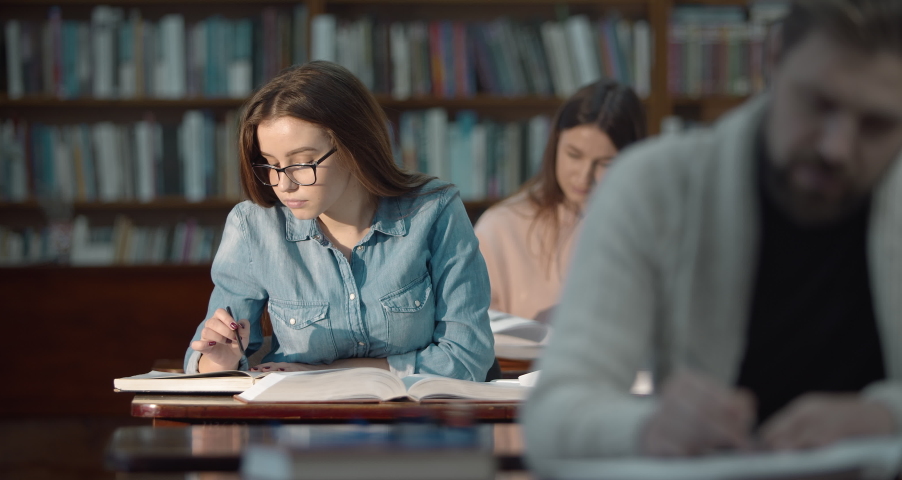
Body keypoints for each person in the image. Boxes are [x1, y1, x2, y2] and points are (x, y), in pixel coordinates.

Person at [524, 0, 902, 462]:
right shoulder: (655, 187)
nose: (837, 148)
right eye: (819, 104)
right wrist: (649, 427)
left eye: (878, 125)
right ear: (774, 58)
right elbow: (553, 414)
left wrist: (886, 417)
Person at [183, 61, 495, 381]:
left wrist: (330, 372)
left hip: (415, 420)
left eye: (302, 163)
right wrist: (220, 361)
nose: (284, 184)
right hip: (299, 422)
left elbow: (468, 357)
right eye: (271, 164)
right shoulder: (253, 226)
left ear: (353, 146)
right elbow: (205, 359)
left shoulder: (434, 209)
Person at [474, 80, 646, 322]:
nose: (584, 176)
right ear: (555, 145)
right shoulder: (500, 227)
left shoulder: (650, 230)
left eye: (605, 163)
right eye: (574, 155)